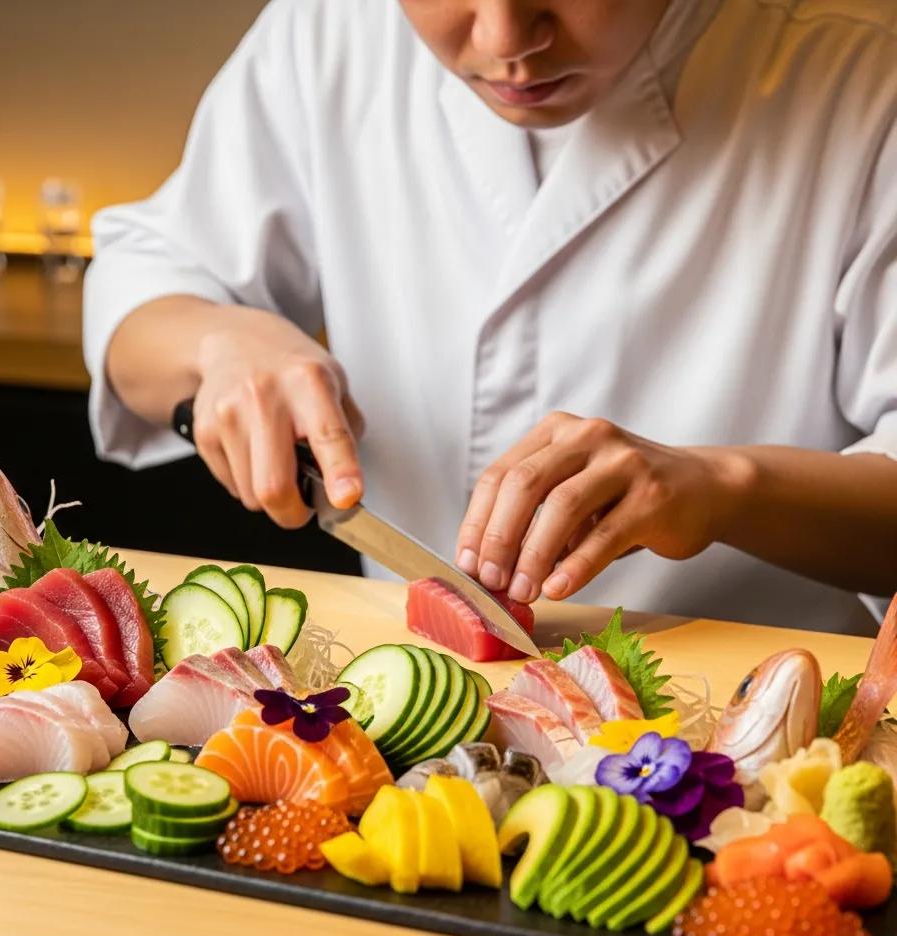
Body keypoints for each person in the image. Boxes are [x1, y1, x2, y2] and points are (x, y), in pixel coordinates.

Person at [84, 0, 897, 634]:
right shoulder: (329, 30)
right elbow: (145, 283)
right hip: (413, 701)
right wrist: (217, 341)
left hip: (753, 718)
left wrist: (722, 488)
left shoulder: (861, 74)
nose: (508, 36)